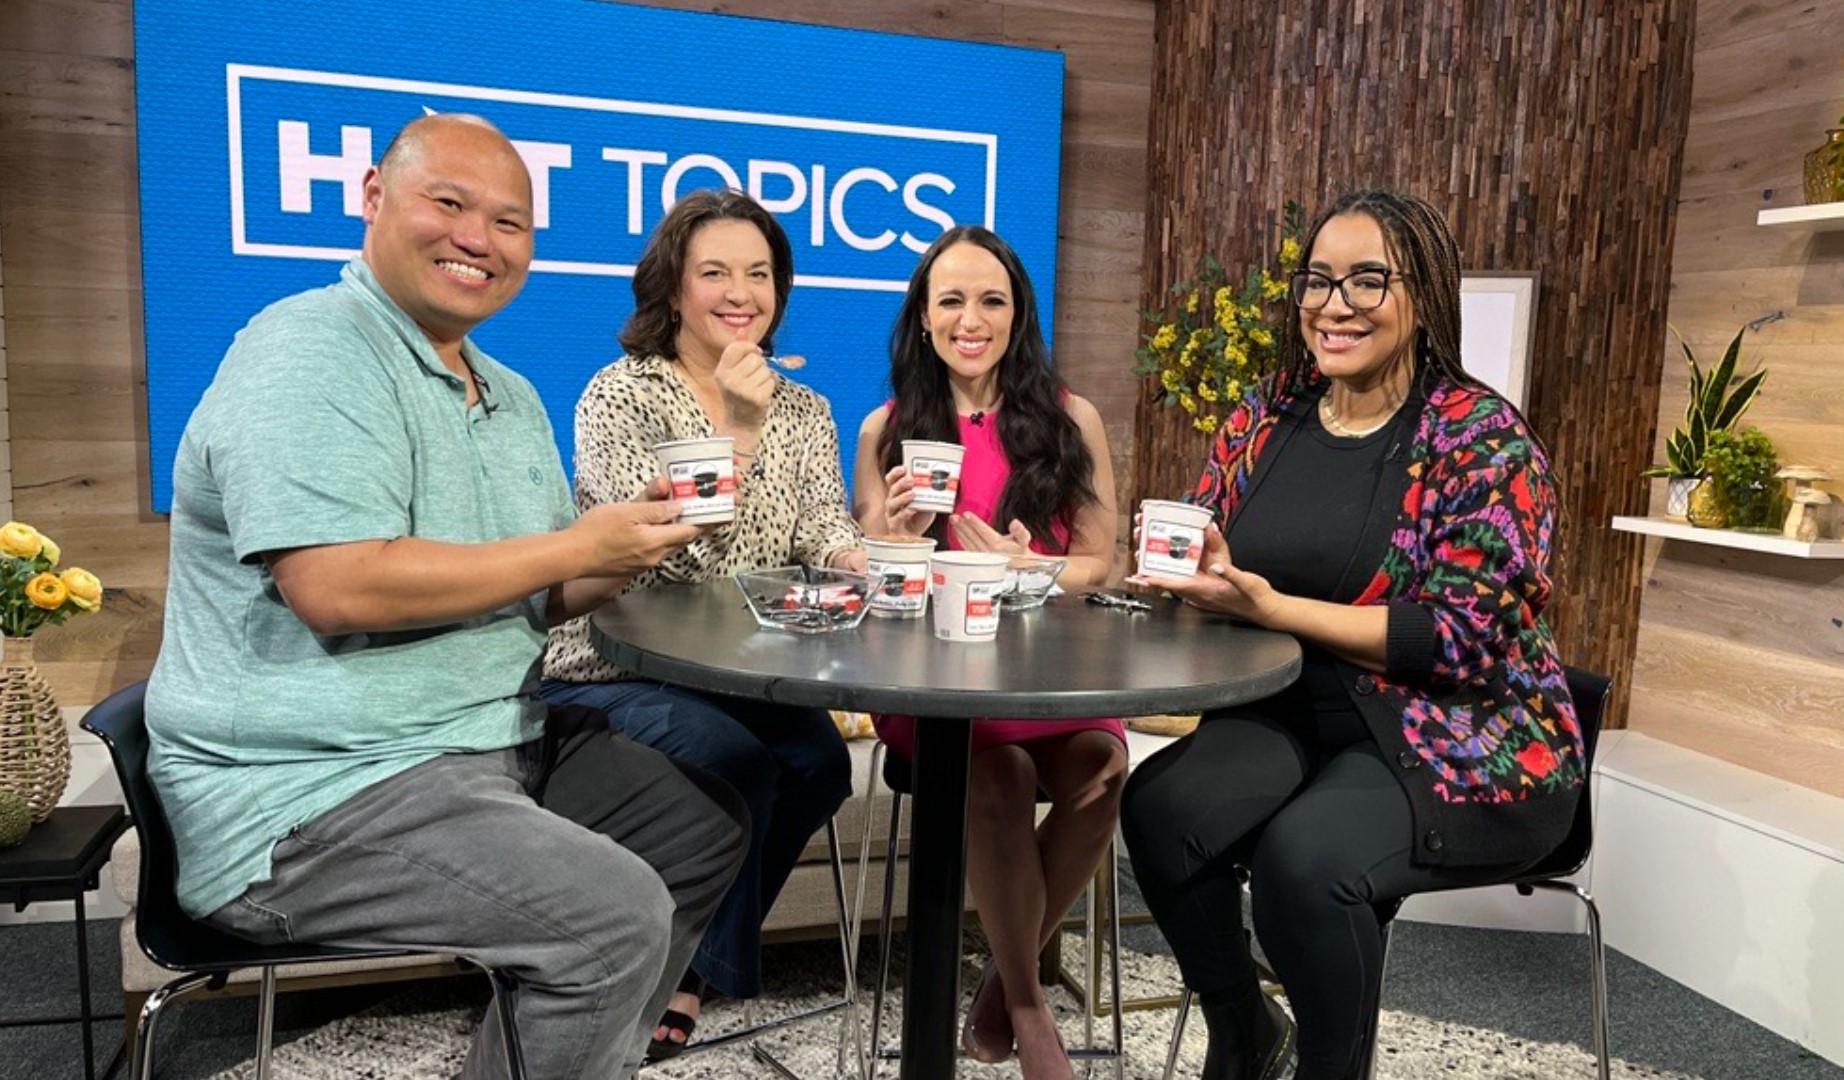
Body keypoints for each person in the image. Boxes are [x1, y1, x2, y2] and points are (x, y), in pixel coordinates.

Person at [143, 113, 749, 1080]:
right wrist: (572, 541)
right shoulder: (308, 349)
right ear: (375, 198)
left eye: (509, 222)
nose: (479, 239)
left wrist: (628, 544)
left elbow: (539, 594)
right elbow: (335, 586)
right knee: (613, 917)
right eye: (450, 204)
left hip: (483, 746)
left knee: (699, 822)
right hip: (313, 790)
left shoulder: (508, 391)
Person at [1119, 189, 1586, 1080]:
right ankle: (1244, 1032)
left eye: (1368, 280)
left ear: (1425, 296)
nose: (1335, 305)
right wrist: (1179, 575)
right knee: (1161, 809)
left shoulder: (1484, 441)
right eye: (1318, 280)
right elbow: (1208, 537)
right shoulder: (1269, 413)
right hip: (1294, 711)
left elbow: (1455, 639)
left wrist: (1267, 608)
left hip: (1462, 729)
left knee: (1307, 866)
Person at [540, 188, 858, 1060]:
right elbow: (656, 561)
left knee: (820, 761)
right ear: (673, 288)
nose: (740, 292)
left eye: (759, 274)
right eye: (714, 271)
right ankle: (680, 971)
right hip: (613, 667)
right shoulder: (622, 395)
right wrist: (738, 426)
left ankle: (695, 953)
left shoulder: (805, 407)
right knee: (733, 761)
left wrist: (869, 555)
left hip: (740, 669)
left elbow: (821, 528)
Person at [851, 225, 1126, 1080]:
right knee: (994, 774)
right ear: (923, 320)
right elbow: (871, 580)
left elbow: (1098, 561)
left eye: (992, 300)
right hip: (931, 678)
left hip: (1046, 671)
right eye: (952, 301)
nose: (972, 319)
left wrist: (1031, 568)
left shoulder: (1071, 418)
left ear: (1019, 314)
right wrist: (891, 538)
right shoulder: (884, 430)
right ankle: (1033, 1007)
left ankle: (1000, 982)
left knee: (1103, 769)